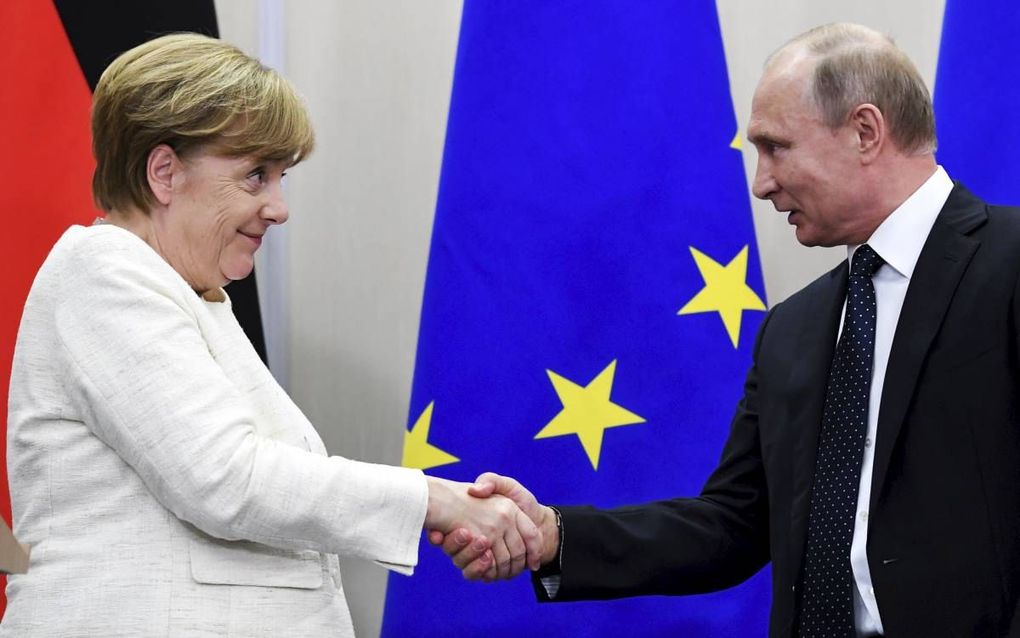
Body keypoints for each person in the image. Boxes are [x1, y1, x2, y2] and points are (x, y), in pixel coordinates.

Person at [433, 22, 1020, 638]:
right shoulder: (794, 328)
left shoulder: (1007, 265)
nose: (761, 182)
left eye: (776, 147)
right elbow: (734, 524)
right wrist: (556, 535)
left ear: (865, 131)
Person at [2, 33, 543, 637]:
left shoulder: (188, 294)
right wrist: (432, 501)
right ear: (164, 172)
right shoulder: (102, 275)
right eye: (256, 175)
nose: (280, 207)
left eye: (281, 176)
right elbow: (227, 478)